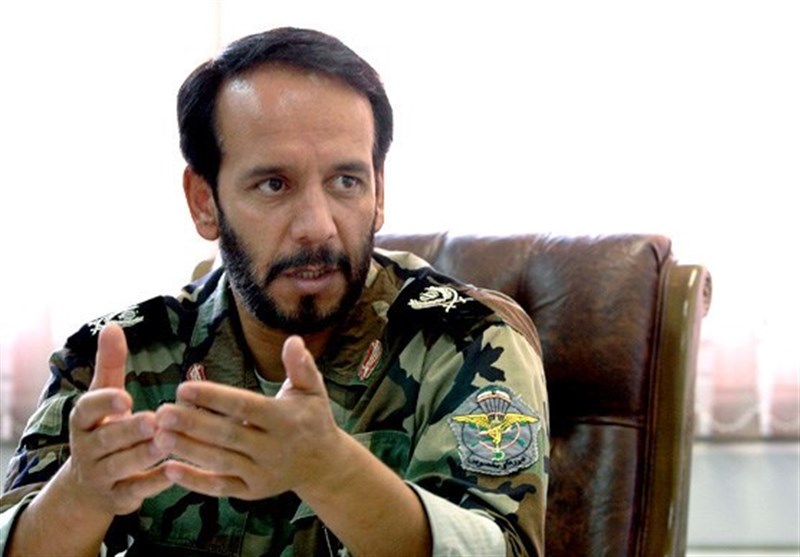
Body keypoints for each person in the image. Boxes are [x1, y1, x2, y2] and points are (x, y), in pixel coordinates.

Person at [0, 27, 549, 557]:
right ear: (204, 202)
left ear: (379, 191)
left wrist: (332, 471)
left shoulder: (467, 344)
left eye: (346, 181)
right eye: (274, 184)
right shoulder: (118, 361)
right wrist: (80, 495)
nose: (317, 226)